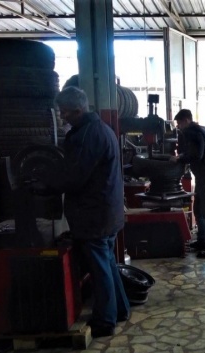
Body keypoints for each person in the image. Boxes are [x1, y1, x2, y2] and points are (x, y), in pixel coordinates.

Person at [52, 86, 130, 338]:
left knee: (100, 269)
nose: (62, 117)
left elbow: (76, 176)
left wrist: (50, 184)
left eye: (65, 112)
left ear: (78, 110)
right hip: (107, 211)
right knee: (107, 263)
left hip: (95, 214)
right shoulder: (101, 129)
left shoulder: (87, 135)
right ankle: (120, 309)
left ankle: (105, 321)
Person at [170, 109, 205, 258]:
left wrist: (179, 158)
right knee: (198, 210)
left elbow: (197, 155)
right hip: (203, 176)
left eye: (179, 123)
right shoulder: (197, 130)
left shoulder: (193, 132)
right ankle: (201, 241)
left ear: (186, 120)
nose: (178, 126)